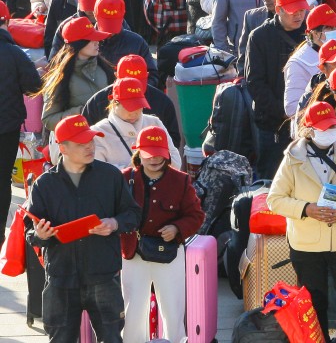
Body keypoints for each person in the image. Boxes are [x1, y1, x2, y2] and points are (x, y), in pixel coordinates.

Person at [25, 114, 142, 343]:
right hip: (61, 278)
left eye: (91, 140)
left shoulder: (110, 176)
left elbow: (133, 214)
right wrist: (40, 234)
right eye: (81, 144)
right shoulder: (44, 184)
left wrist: (114, 223)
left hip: (103, 275)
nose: (90, 147)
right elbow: (30, 231)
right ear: (63, 148)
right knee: (60, 338)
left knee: (111, 337)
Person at [267, 101, 336, 342]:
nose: (329, 132)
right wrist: (306, 209)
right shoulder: (292, 159)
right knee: (313, 305)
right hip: (306, 245)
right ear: (309, 130)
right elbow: (275, 199)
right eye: (323, 127)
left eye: (332, 126)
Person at [119, 126, 203, 343]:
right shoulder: (125, 178)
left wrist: (177, 229)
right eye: (148, 154)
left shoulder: (180, 180)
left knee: (173, 309)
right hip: (133, 252)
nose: (155, 159)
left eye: (159, 154)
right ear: (138, 153)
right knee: (133, 310)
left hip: (169, 253)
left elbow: (196, 216)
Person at [247, 0, 310, 179]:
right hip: (272, 126)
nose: (298, 15)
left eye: (302, 10)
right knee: (271, 180)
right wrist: (284, 112)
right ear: (278, 10)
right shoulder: (259, 37)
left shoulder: (311, 33)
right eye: (293, 11)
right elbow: (255, 84)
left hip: (307, 124)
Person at [0, 0, 43, 239]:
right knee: (2, 179)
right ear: (6, 22)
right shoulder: (15, 53)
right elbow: (33, 87)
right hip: (6, 128)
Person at [40, 17, 115, 133]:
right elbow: (49, 119)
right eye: (92, 39)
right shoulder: (60, 78)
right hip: (79, 143)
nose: (97, 42)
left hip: (107, 137)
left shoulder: (105, 69)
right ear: (79, 43)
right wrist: (83, 112)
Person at [92, 76, 182, 169]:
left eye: (139, 106)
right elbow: (100, 173)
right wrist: (138, 170)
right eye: (129, 107)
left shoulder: (154, 122)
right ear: (114, 103)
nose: (134, 112)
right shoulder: (98, 133)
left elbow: (176, 162)